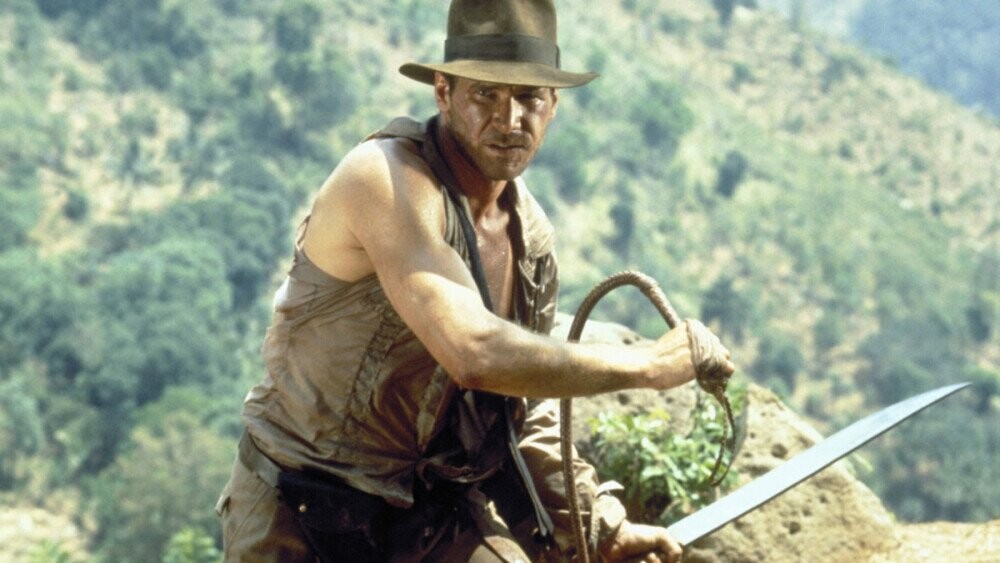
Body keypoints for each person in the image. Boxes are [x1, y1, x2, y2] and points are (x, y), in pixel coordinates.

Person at [215, 0, 735, 561]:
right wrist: (650, 365)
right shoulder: (385, 179)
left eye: (529, 98)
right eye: (486, 94)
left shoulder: (529, 238)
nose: (509, 121)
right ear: (443, 92)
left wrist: (598, 527)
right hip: (301, 504)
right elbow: (475, 353)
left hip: (426, 514)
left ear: (553, 105)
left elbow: (517, 407)